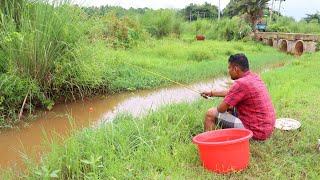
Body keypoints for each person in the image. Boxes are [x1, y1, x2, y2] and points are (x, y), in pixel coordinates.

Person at [201, 53, 276, 140]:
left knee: (211, 113)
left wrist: (227, 104)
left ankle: (210, 143)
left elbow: (220, 109)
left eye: (229, 68)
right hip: (266, 129)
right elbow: (233, 93)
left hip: (255, 133)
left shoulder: (241, 83)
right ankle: (227, 136)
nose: (228, 71)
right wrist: (212, 93)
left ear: (235, 69)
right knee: (232, 107)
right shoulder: (254, 77)